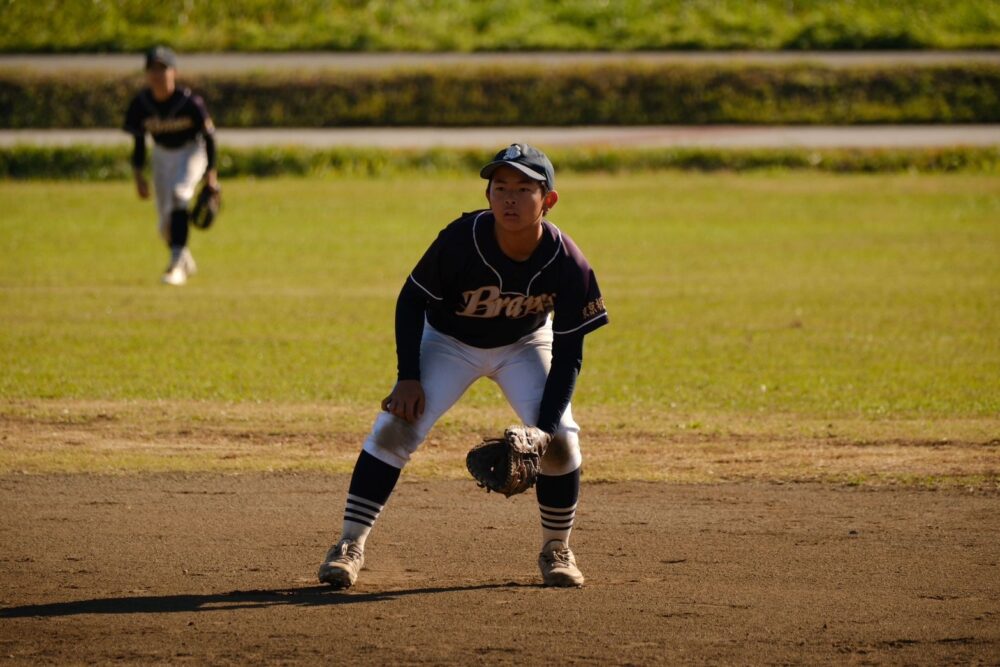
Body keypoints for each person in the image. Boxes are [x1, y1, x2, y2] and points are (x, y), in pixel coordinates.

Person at [318, 144, 609, 589]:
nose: (509, 198)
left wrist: (544, 428)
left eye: (524, 189)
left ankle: (556, 549)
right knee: (395, 427)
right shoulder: (461, 239)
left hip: (524, 344)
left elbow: (570, 353)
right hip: (448, 342)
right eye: (500, 188)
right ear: (489, 194)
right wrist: (408, 377)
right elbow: (411, 300)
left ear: (548, 200)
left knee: (562, 442)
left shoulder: (568, 262)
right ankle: (349, 545)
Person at [123, 46, 218, 286]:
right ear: (146, 74)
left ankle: (176, 266)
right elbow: (139, 142)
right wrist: (138, 176)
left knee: (180, 194)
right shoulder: (141, 104)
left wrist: (211, 175)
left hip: (191, 151)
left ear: (174, 72)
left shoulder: (189, 102)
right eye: (153, 69)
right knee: (165, 226)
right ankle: (183, 257)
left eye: (163, 68)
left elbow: (209, 138)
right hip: (162, 156)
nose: (158, 74)